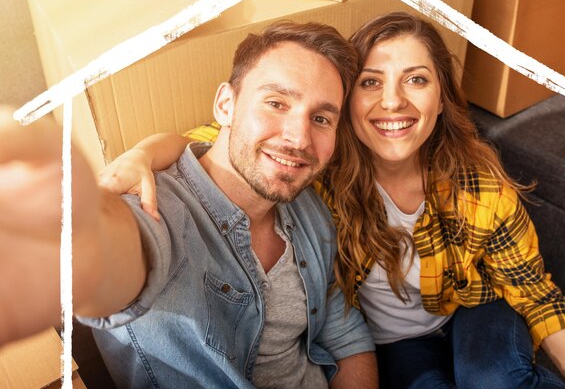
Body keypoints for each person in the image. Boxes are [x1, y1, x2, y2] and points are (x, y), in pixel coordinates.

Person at [101, 12, 565, 389]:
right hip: (397, 343)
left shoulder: (479, 189)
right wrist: (144, 152)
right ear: (348, 106)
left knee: (494, 379)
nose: (392, 101)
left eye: (417, 79)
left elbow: (537, 296)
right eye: (371, 83)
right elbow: (218, 143)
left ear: (442, 97)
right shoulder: (315, 169)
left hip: (475, 305)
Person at [0, 21, 378, 388]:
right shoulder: (158, 207)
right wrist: (78, 253)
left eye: (321, 118)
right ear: (225, 105)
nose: (299, 138)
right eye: (276, 102)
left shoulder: (310, 209)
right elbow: (123, 250)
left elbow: (342, 330)